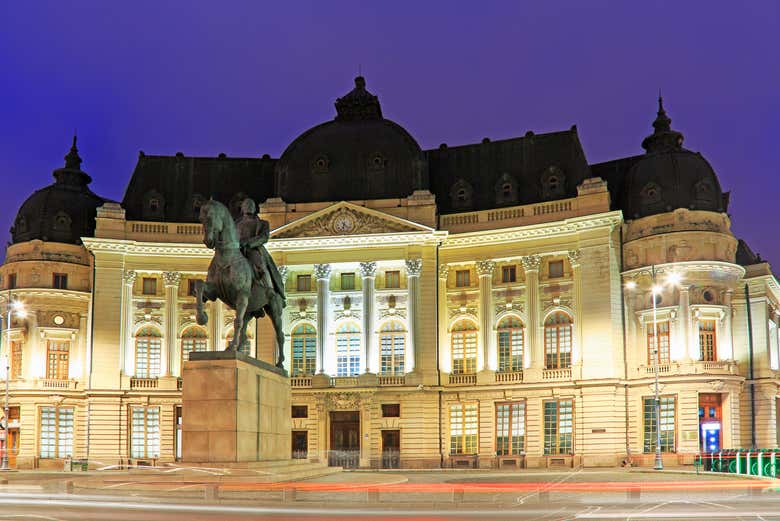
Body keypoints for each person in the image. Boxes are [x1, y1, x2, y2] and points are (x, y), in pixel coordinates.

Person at [235, 198, 286, 305]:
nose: (249, 207)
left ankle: (269, 289)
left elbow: (264, 237)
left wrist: (249, 243)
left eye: (251, 205)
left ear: (254, 209)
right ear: (242, 208)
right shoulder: (236, 224)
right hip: (237, 250)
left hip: (253, 249)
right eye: (247, 205)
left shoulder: (263, 223)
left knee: (260, 264)